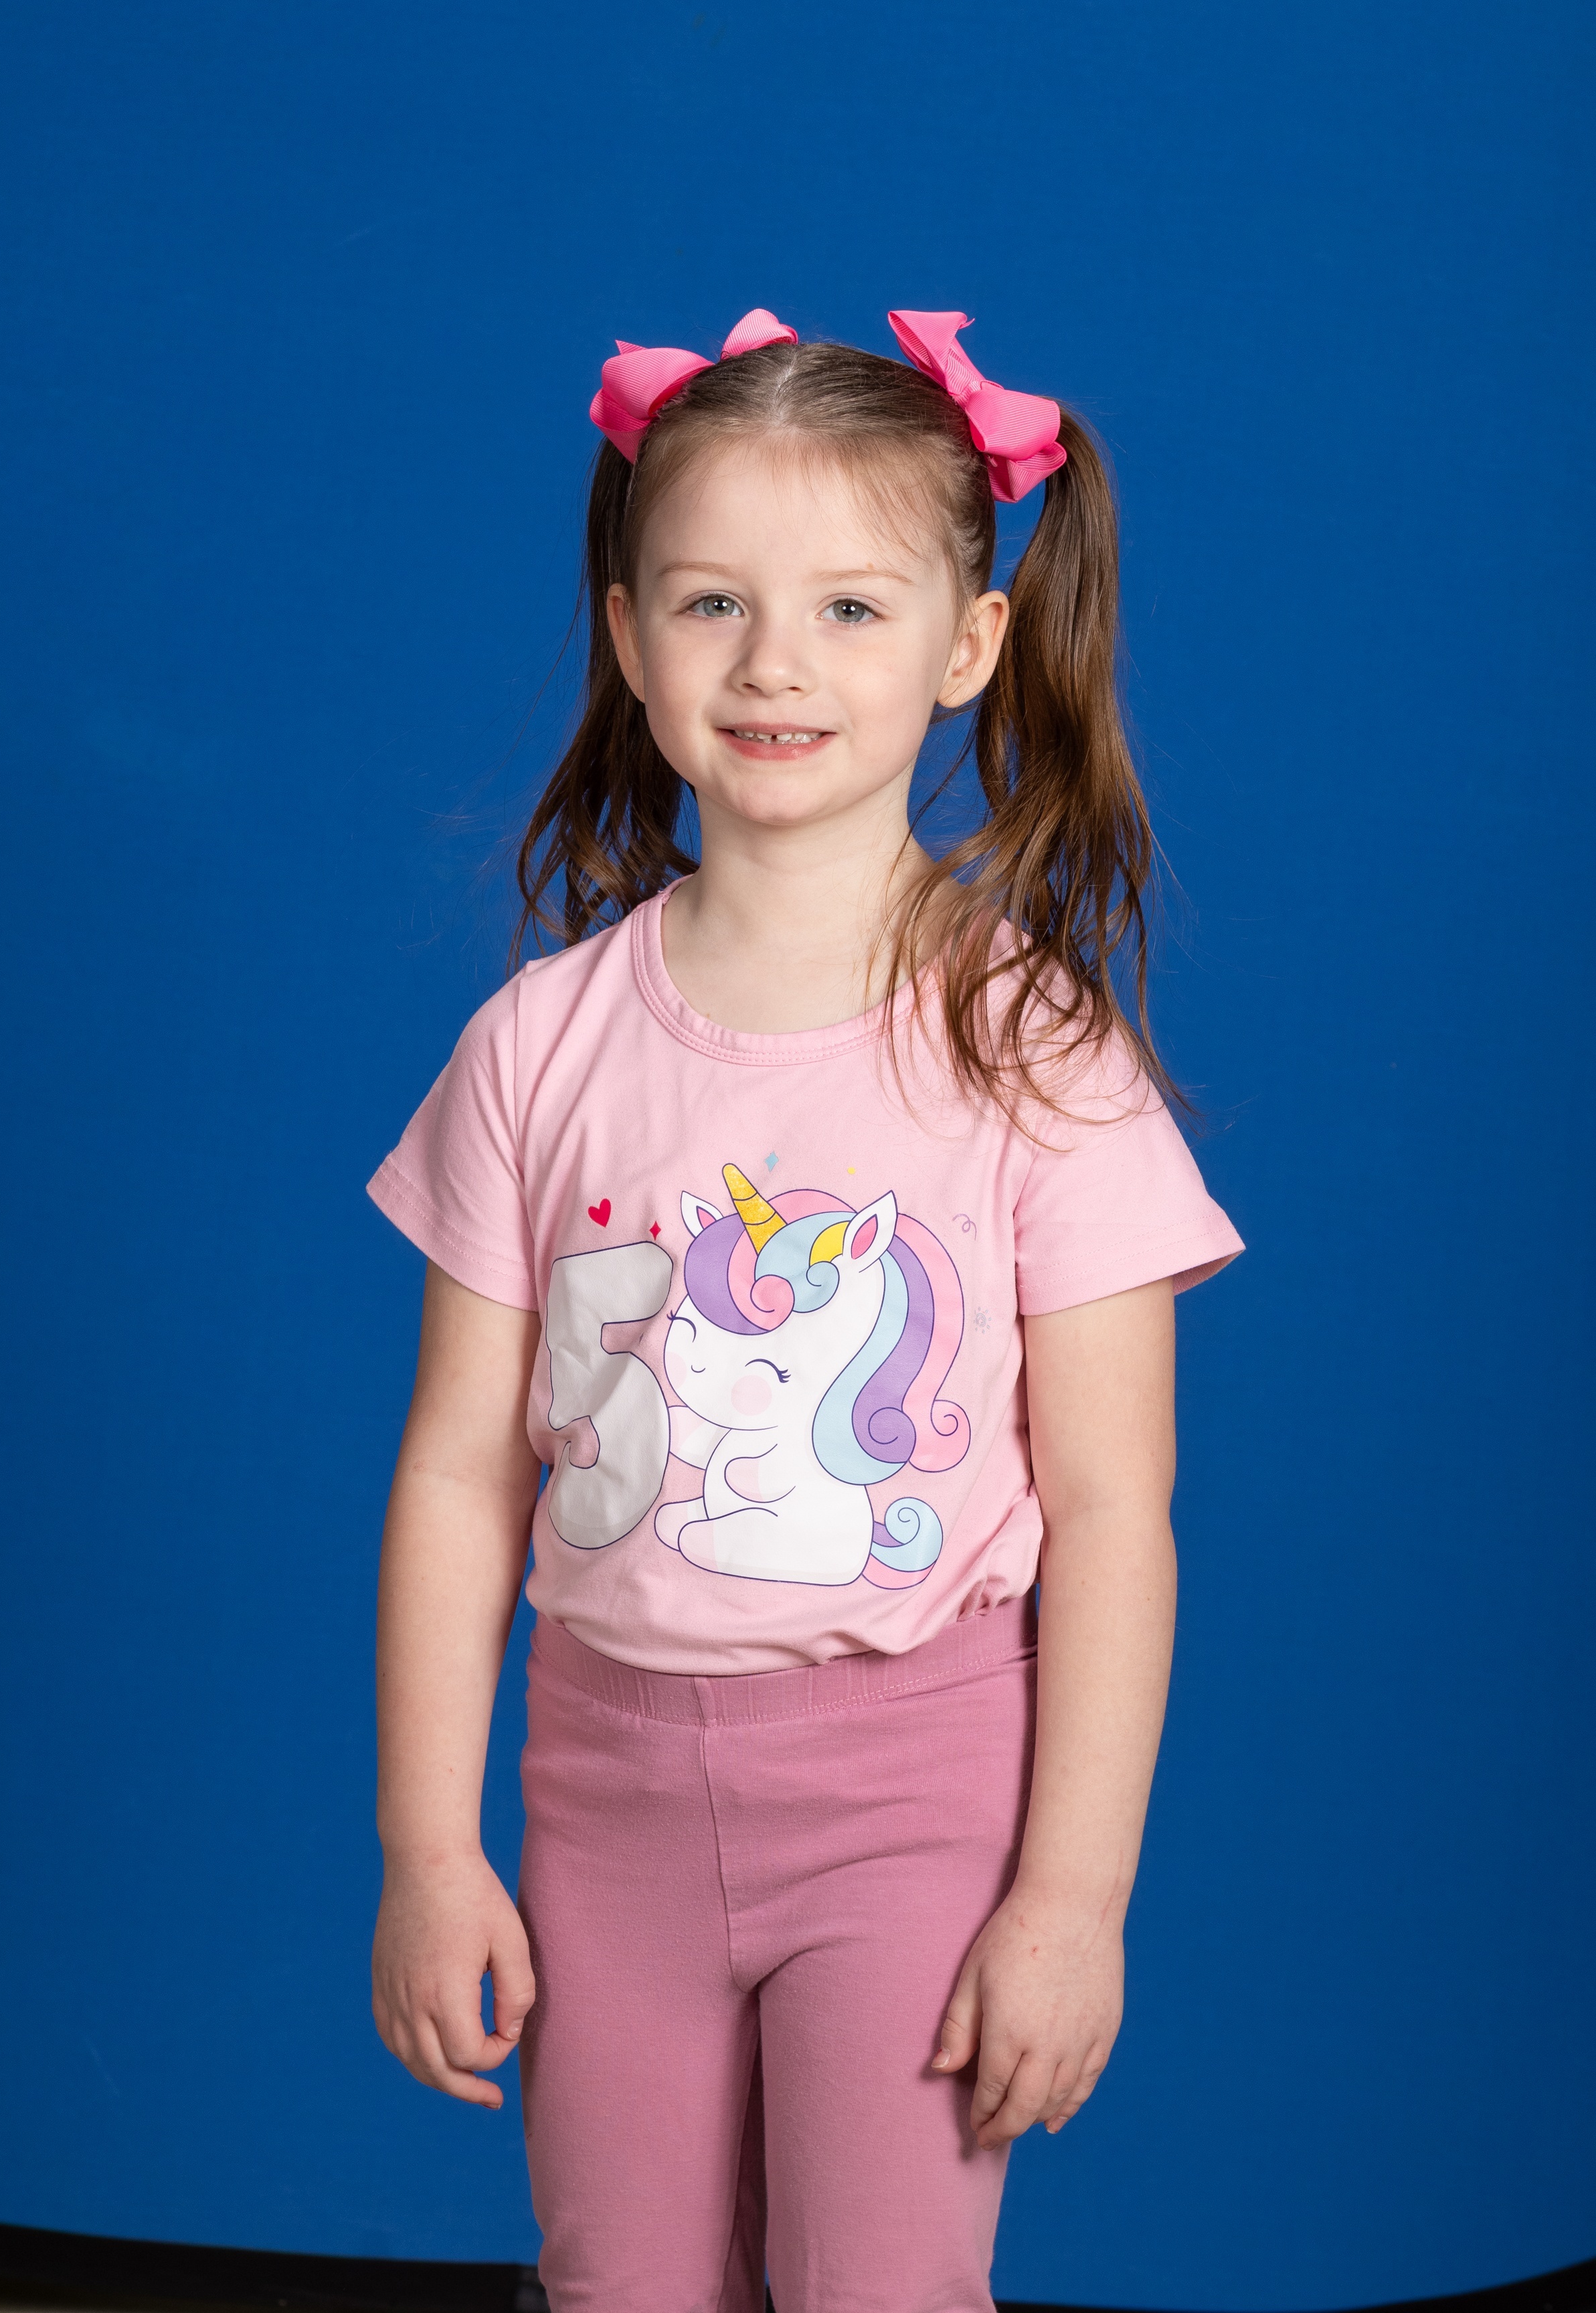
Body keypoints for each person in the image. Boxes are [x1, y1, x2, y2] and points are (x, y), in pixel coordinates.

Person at [366, 305, 1243, 2313]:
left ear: (968, 644)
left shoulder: (1036, 1052)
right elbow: (458, 1475)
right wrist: (428, 1847)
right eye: (714, 603)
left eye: (850, 607)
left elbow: (1114, 1511)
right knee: (622, 2285)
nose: (775, 663)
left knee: (878, 2285)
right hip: (601, 1795)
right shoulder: (537, 1046)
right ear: (627, 635)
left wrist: (1072, 1898)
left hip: (917, 1790)